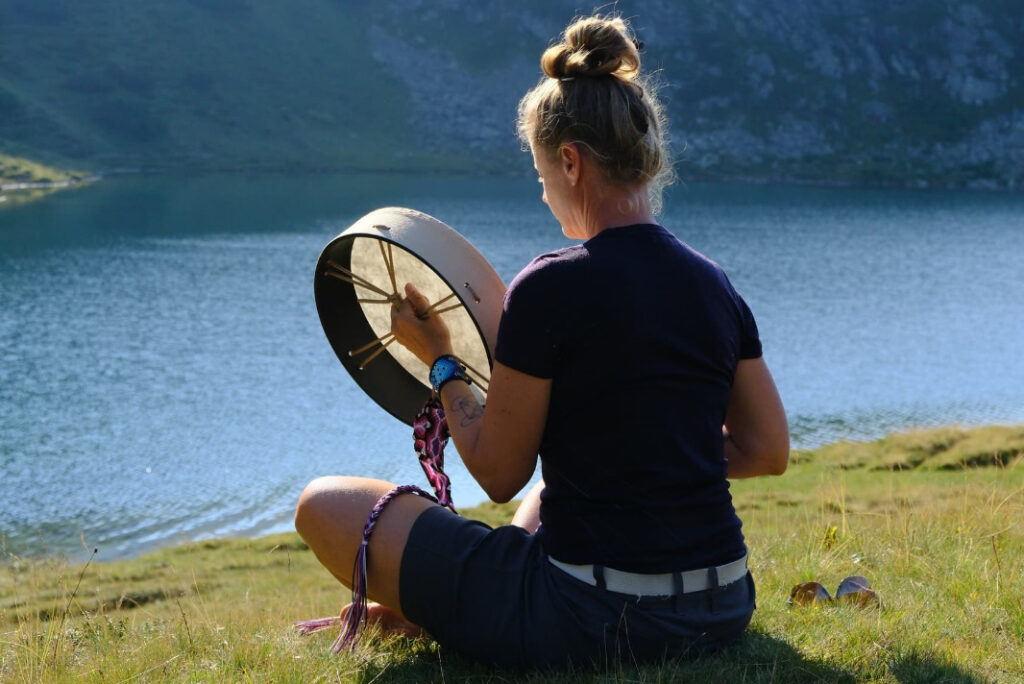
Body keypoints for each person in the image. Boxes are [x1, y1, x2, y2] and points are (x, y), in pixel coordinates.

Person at [295, 14, 789, 669]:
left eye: (541, 175)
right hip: (722, 603)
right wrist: (659, 460)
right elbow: (767, 448)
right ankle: (457, 602)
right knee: (549, 493)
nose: (546, 192)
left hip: (592, 618)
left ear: (570, 161)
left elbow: (498, 474)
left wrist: (442, 360)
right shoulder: (712, 283)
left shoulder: (551, 286)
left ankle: (445, 610)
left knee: (322, 505)